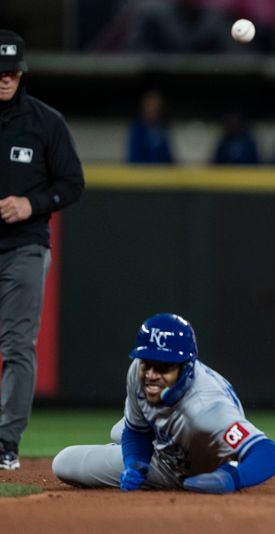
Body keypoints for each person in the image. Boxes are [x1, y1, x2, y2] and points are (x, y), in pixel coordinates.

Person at [52, 313, 275, 493]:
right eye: (148, 363)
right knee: (69, 459)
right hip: (163, 457)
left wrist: (230, 478)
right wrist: (136, 464)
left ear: (186, 367)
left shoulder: (209, 408)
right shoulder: (137, 371)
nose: (152, 374)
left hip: (204, 466)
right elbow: (136, 431)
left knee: (116, 434)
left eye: (164, 366)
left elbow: (269, 454)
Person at [0, 30, 85, 470]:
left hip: (23, 248)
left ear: (22, 73)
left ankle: (5, 443)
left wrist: (32, 203)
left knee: (16, 345)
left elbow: (73, 183)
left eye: (11, 72)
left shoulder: (44, 122)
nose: (5, 79)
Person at [126, 89, 175, 164]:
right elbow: (134, 158)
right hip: (142, 173)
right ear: (144, 107)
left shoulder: (163, 129)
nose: (153, 109)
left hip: (162, 173)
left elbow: (169, 158)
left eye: (156, 106)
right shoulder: (137, 129)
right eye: (150, 106)